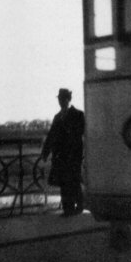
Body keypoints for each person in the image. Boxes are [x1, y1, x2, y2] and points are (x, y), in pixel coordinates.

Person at [41, 88, 85, 216]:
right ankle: (68, 209)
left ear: (68, 99)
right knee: (64, 182)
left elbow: (79, 132)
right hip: (60, 155)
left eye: (63, 99)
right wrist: (45, 152)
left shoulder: (78, 114)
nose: (61, 102)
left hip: (73, 154)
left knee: (74, 181)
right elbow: (51, 135)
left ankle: (79, 205)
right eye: (60, 99)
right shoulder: (57, 117)